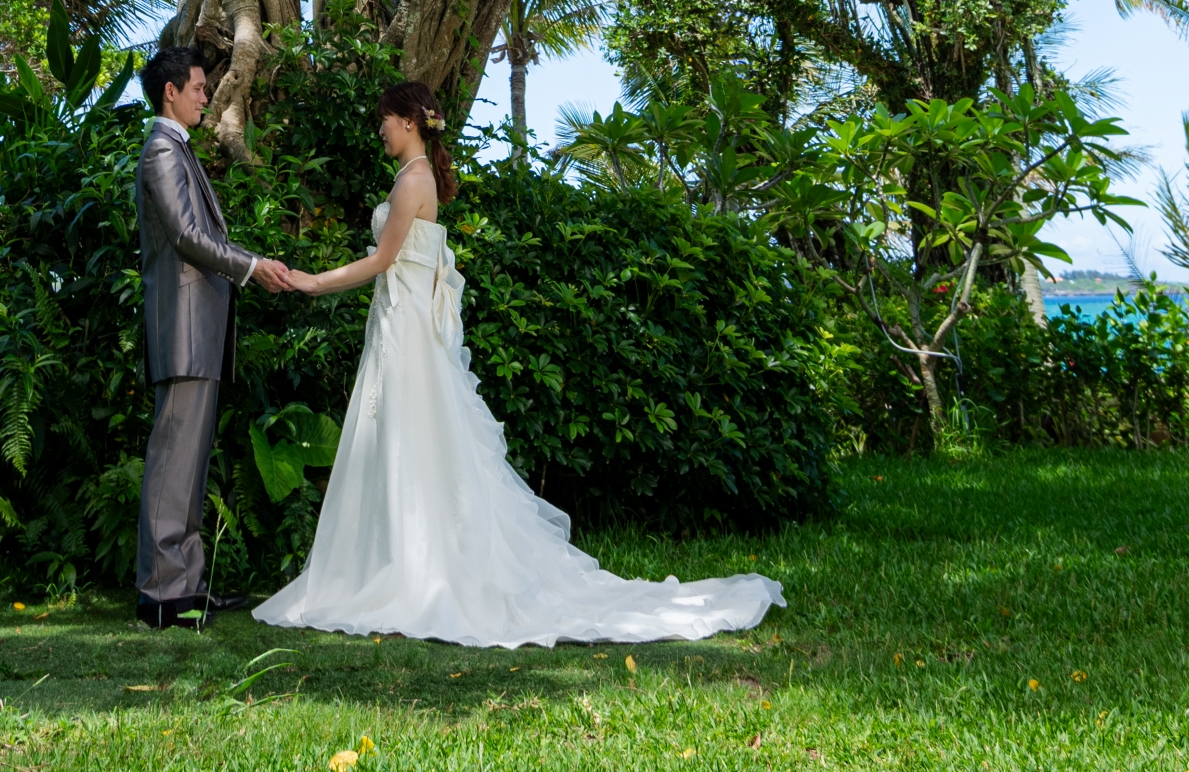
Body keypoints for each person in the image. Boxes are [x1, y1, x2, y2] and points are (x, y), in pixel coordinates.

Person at [253, 79, 785, 646]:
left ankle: (418, 570)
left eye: (384, 118)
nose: (379, 128)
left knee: (412, 442)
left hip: (406, 332)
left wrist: (312, 282)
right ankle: (402, 560)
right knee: (406, 446)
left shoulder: (413, 182)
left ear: (409, 121)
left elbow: (384, 260)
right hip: (400, 327)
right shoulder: (412, 178)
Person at [134, 42, 291, 629]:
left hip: (198, 329)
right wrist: (253, 266)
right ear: (170, 92)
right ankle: (161, 597)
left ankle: (187, 587)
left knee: (189, 464)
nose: (207, 95)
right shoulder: (161, 152)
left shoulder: (177, 150)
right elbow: (188, 238)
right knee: (173, 461)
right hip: (182, 329)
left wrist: (250, 264)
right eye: (199, 87)